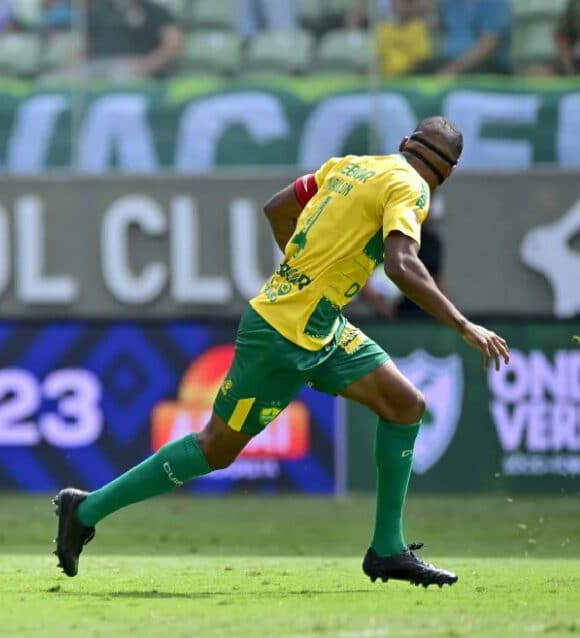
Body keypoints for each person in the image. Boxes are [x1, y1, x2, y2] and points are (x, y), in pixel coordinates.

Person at [53, 116, 511, 588]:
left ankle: (388, 549)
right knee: (216, 448)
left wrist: (302, 268)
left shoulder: (349, 165)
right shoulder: (412, 189)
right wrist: (463, 324)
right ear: (448, 172)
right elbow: (400, 264)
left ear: (404, 142)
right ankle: (84, 510)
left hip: (322, 325)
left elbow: (277, 208)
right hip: (282, 334)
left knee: (405, 404)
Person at [436, 0, 511, 76]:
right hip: (447, 62)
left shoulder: (495, 4)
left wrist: (450, 71)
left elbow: (487, 45)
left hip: (485, 68)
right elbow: (437, 27)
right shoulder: (450, 3)